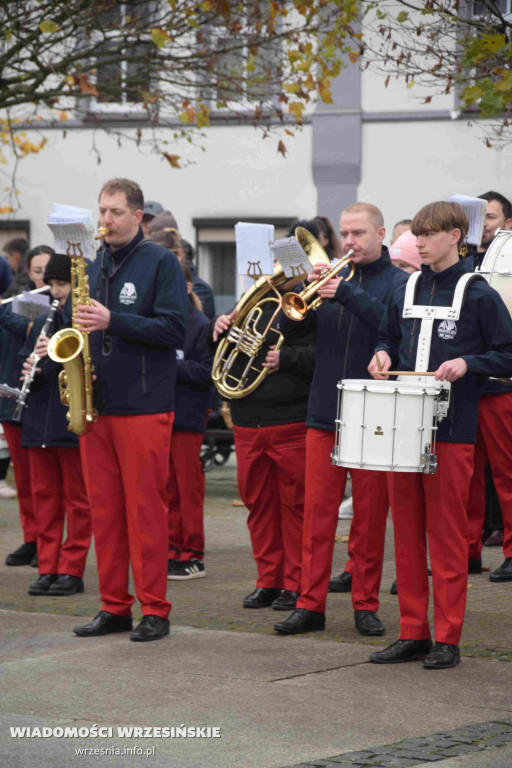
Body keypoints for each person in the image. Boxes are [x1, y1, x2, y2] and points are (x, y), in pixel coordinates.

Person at [368, 201, 512, 669]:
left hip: (452, 429)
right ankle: (414, 630)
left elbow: (508, 355)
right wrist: (382, 355)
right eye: (418, 235)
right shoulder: (407, 286)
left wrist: (470, 363)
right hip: (403, 425)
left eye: (428, 235)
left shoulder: (479, 293)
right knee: (406, 533)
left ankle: (448, 636)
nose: (419, 243)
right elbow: (388, 335)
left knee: (447, 536)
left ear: (455, 235)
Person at [274, 203, 408, 637]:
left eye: (359, 233)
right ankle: (309, 604)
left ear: (381, 234)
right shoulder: (331, 278)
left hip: (372, 413)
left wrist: (344, 293)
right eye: (345, 233)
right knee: (317, 513)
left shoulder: (399, 283)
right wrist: (297, 293)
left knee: (368, 517)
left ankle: (365, 605)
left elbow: (394, 329)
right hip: (323, 409)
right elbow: (295, 333)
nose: (349, 241)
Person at [72, 178, 188, 642]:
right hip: (98, 405)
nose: (105, 221)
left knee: (145, 511)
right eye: (101, 211)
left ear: (138, 217)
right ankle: (114, 605)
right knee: (105, 512)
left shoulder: (161, 262)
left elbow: (174, 330)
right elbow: (81, 324)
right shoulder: (95, 262)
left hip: (144, 405)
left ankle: (155, 609)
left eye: (115, 212)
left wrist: (112, 320)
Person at [212, 264, 315, 613]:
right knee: (258, 506)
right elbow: (223, 349)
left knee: (295, 506)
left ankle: (296, 583)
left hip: (290, 420)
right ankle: (268, 580)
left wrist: (287, 357)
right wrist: (221, 327)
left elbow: (325, 356)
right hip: (246, 419)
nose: (279, 274)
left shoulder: (312, 303)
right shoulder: (250, 300)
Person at [20, 253, 92, 597]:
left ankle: (72, 570)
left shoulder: (81, 320)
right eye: (52, 284)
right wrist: (31, 370)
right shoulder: (42, 319)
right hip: (38, 423)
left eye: (62, 284)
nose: (55, 291)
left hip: (69, 422)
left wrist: (54, 353)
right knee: (45, 500)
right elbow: (31, 361)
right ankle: (47, 567)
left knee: (78, 502)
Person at [2, 245, 52, 567]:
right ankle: (31, 537)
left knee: (43, 480)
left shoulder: (62, 308)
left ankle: (48, 542)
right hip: (14, 397)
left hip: (45, 401)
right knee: (23, 477)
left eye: (48, 272)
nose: (43, 278)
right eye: (37, 272)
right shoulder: (15, 305)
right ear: (28, 274)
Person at [167, 264, 213, 580]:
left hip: (187, 419)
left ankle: (192, 554)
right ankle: (172, 549)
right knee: (167, 489)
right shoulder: (164, 321)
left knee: (187, 491)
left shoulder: (199, 324)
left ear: (186, 287)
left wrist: (168, 365)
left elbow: (205, 373)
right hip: (161, 416)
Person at [465, 191, 512, 271]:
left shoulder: (508, 262)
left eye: (490, 217)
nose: (483, 223)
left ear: (508, 223)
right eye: (478, 217)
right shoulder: (461, 263)